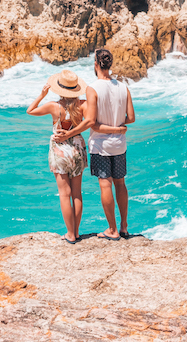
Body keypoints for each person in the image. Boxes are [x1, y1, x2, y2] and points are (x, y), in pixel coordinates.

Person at [57, 48, 135, 240]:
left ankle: (112, 230)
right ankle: (124, 227)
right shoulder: (123, 87)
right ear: (109, 64)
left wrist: (70, 133)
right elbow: (131, 118)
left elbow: (92, 122)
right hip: (120, 145)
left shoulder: (92, 88)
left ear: (96, 65)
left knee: (105, 185)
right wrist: (117, 127)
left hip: (100, 146)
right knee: (121, 184)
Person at [27, 70, 88, 244]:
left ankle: (69, 234)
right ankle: (76, 232)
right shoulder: (83, 105)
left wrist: (41, 95)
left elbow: (30, 111)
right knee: (77, 193)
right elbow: (91, 120)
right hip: (77, 150)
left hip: (60, 152)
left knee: (64, 194)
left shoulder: (53, 106)